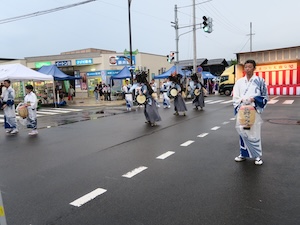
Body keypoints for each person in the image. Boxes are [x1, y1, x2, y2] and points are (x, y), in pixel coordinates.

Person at [233, 59, 268, 165]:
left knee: (255, 132)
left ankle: (257, 156)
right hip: (243, 110)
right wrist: (241, 101)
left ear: (254, 68)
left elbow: (264, 96)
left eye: (250, 67)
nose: (247, 69)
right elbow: (235, 96)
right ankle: (243, 153)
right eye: (246, 67)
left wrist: (254, 99)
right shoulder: (239, 82)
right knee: (243, 132)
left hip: (253, 109)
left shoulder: (260, 81)